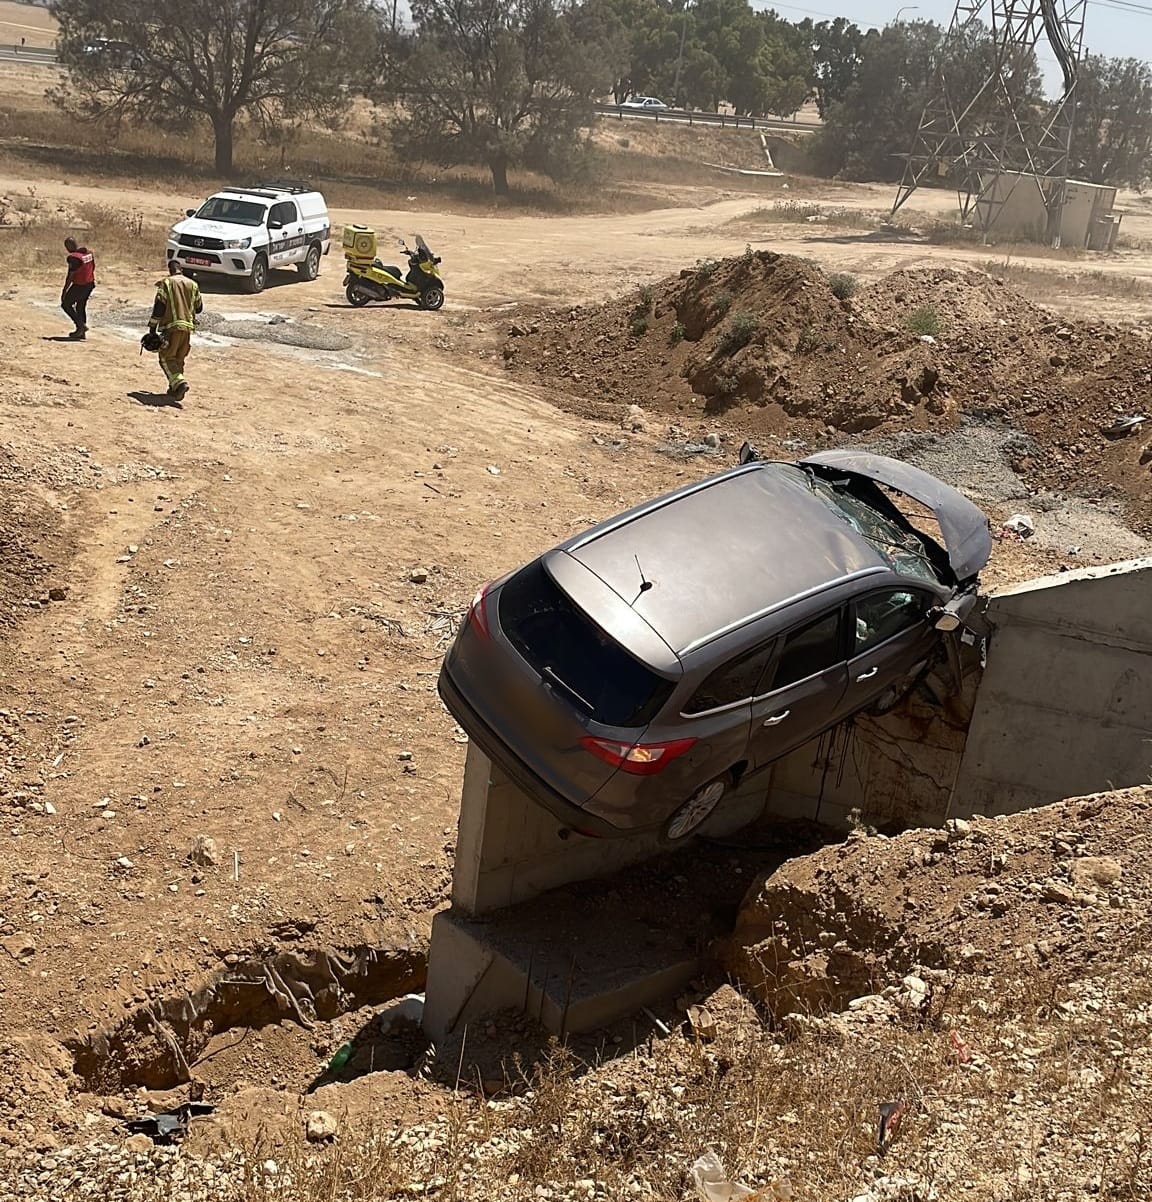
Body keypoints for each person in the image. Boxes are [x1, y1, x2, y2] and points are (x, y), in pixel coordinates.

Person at [147, 259, 202, 402]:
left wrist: (152, 327)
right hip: (187, 329)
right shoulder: (193, 284)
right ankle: (174, 389)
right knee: (178, 359)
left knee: (166, 357)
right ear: (181, 270)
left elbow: (159, 307)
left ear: (170, 271)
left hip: (171, 328)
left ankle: (180, 383)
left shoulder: (167, 283)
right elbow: (199, 307)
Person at [61, 237, 96, 340]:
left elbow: (70, 276)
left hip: (79, 285)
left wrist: (64, 290)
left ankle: (81, 326)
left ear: (69, 246)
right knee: (81, 306)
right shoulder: (89, 254)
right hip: (89, 283)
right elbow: (93, 267)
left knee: (66, 304)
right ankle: (81, 332)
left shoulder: (74, 258)